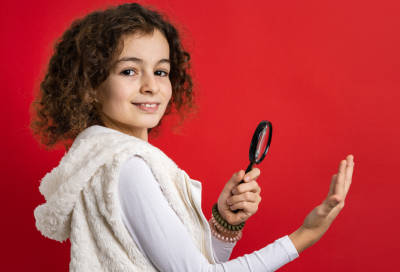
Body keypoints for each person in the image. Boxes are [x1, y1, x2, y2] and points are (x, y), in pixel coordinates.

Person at [31, 3, 355, 271]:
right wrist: (303, 236)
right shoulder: (125, 166)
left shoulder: (107, 158)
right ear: (90, 85)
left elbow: (185, 262)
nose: (151, 85)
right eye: (129, 70)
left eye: (160, 71)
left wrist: (223, 224)